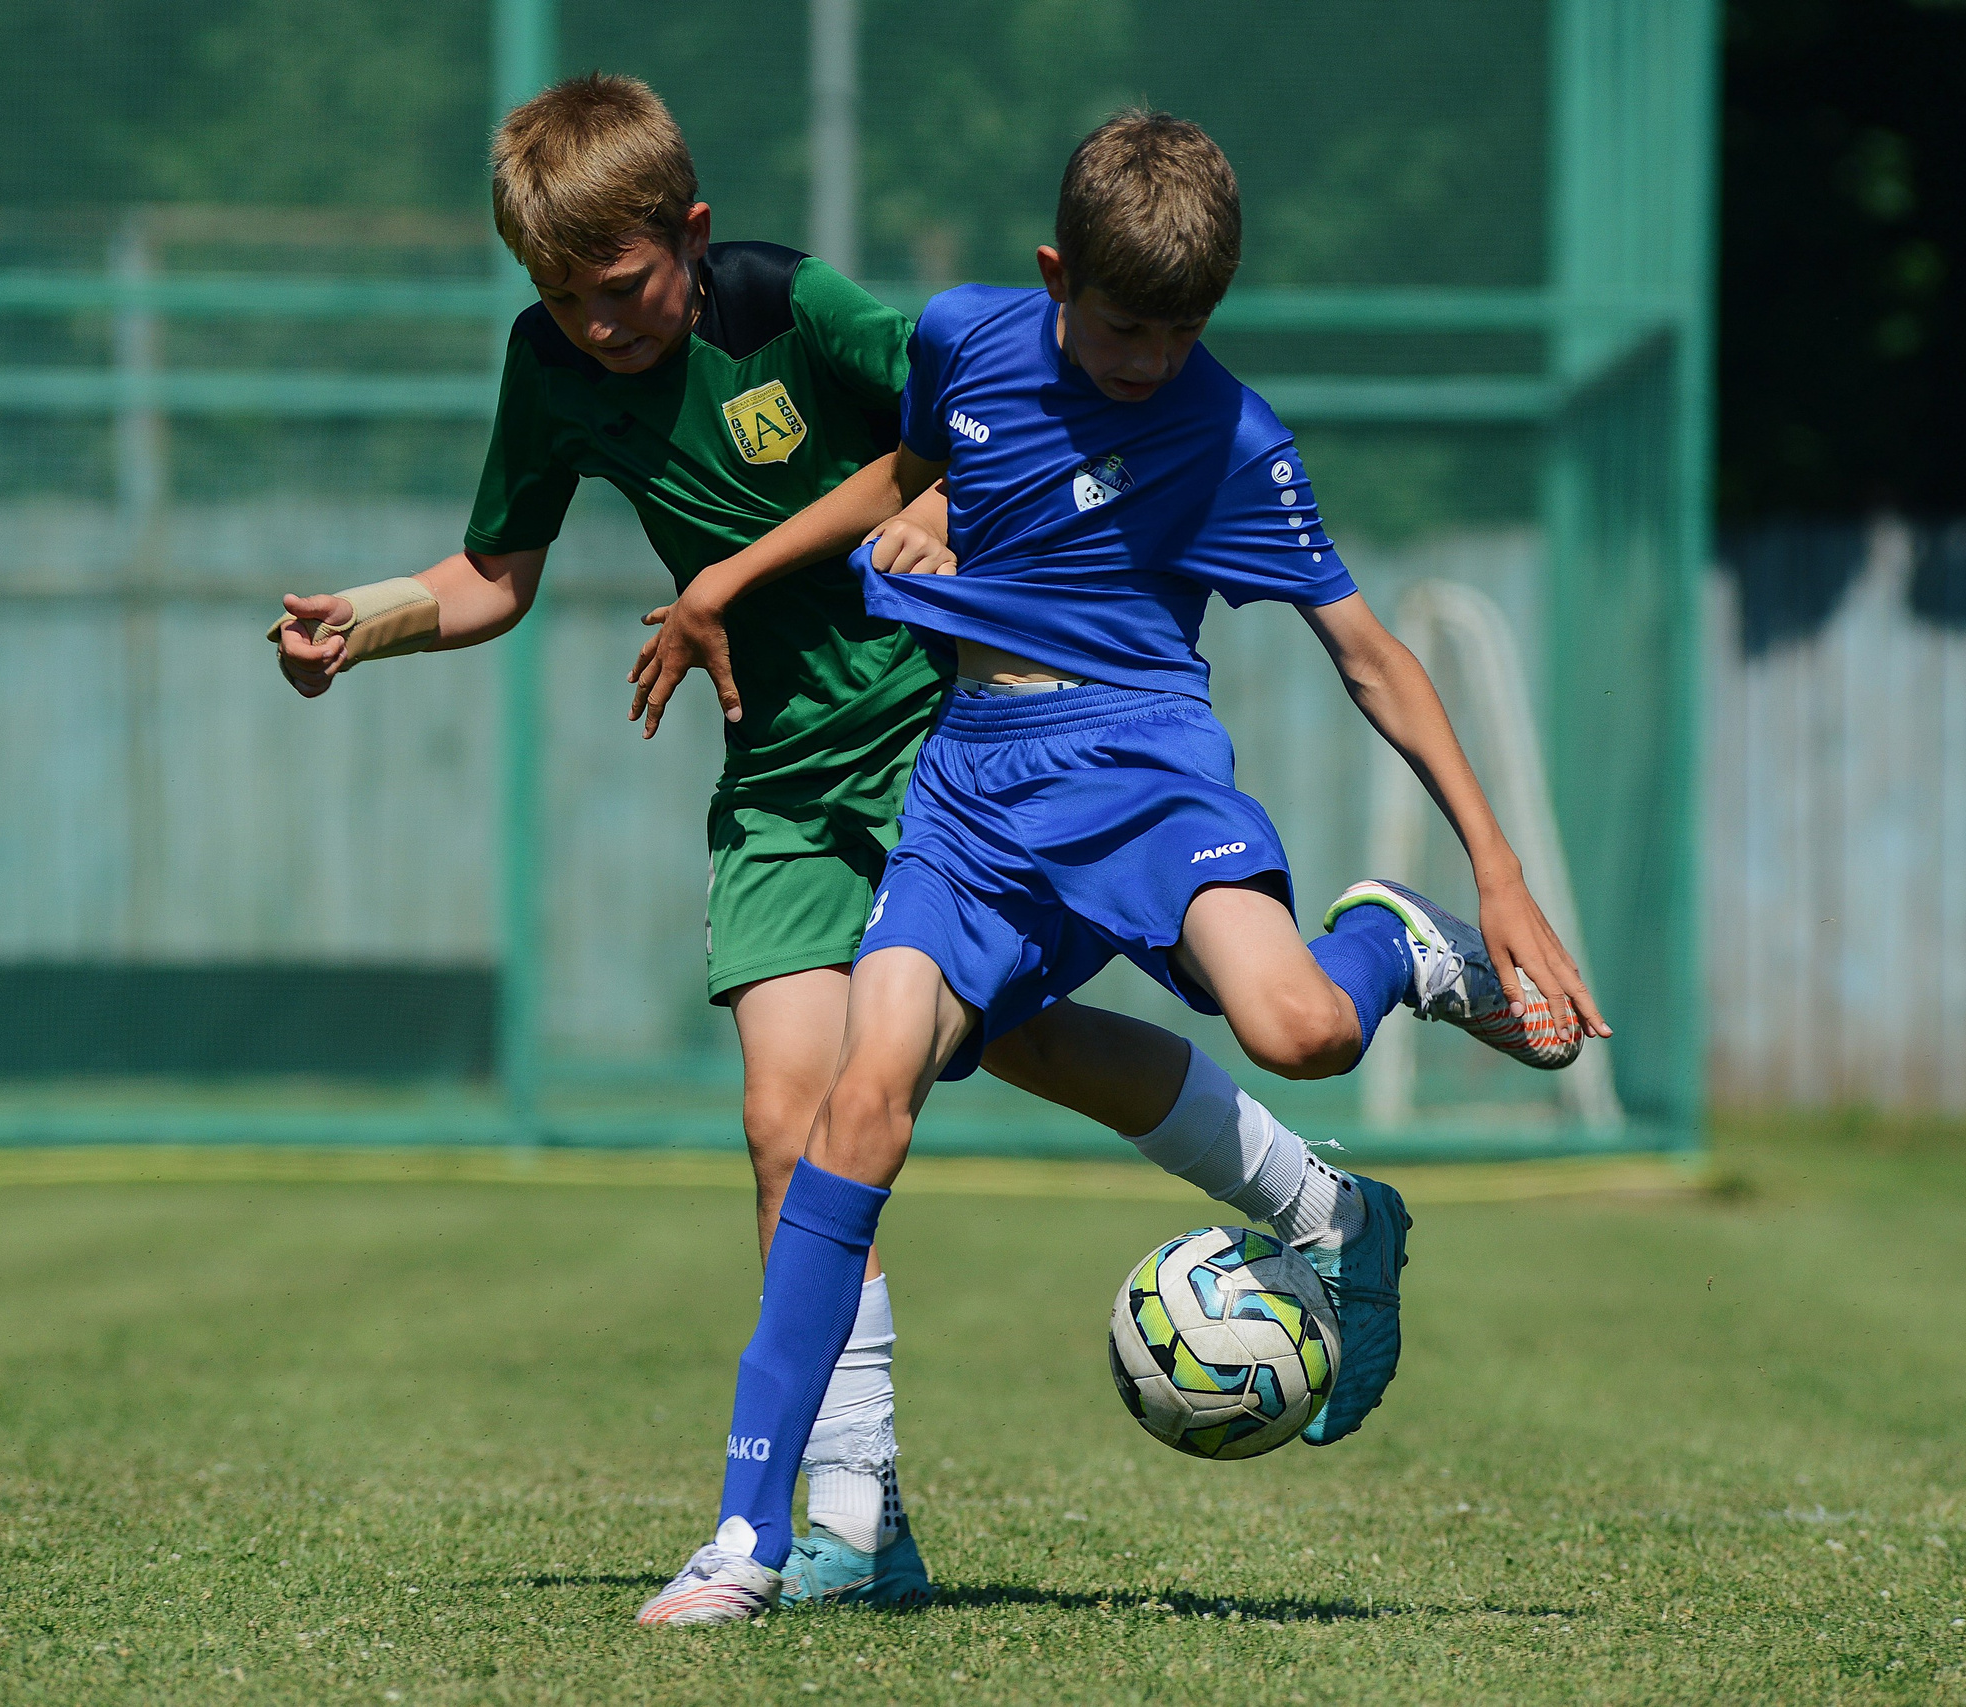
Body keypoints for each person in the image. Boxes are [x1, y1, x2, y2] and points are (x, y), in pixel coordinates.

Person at [267, 75, 1360, 1612]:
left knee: (1030, 1047)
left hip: (940, 744)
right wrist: (366, 623)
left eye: (622, 287)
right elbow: (498, 574)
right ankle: (857, 1509)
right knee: (789, 1118)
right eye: (559, 298)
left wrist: (954, 525)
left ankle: (1305, 1195)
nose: (595, 324)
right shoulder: (549, 365)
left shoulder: (792, 303)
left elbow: (989, 417)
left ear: (690, 236)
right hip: (780, 779)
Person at [632, 109, 1608, 1626]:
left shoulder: (1235, 439)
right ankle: (748, 1539)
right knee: (857, 1101)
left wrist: (1495, 868)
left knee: (1302, 1031)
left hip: (1146, 768)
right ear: (1051, 276)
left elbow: (1369, 658)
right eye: (1123, 326)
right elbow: (921, 465)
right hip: (966, 789)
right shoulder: (962, 338)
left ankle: (1393, 949)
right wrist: (921, 528)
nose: (1152, 359)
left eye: (1184, 328)